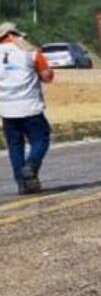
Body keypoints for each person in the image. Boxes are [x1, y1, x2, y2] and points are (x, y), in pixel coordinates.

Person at [0, 22, 55, 194]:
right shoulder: (31, 52)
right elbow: (47, 76)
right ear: (15, 35)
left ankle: (23, 185)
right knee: (41, 139)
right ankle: (31, 166)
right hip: (30, 106)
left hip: (7, 108)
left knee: (15, 146)